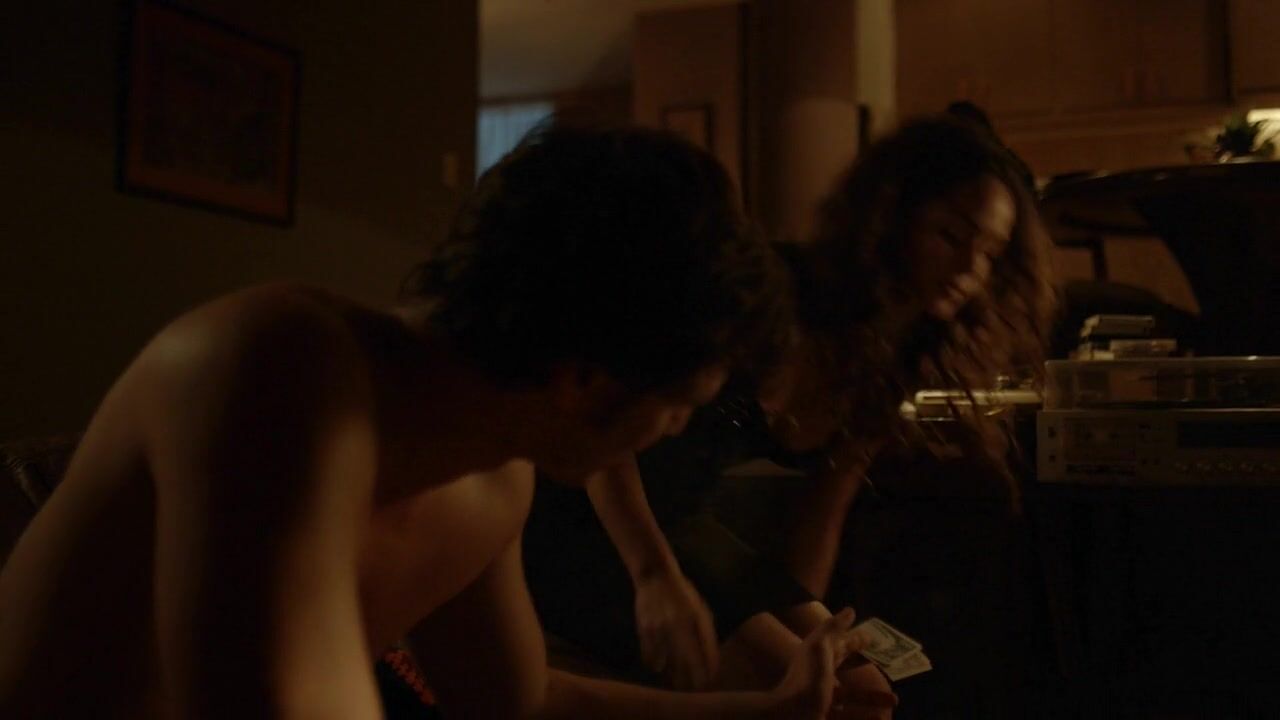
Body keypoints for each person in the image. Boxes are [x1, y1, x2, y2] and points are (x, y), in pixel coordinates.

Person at [0, 124, 867, 719]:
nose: (674, 432)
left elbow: (518, 702)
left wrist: (763, 711)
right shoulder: (278, 366)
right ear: (582, 379)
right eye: (678, 405)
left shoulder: (494, 480)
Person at [523, 116, 1057, 717]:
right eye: (951, 235)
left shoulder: (898, 356)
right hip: (603, 518)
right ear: (891, 216)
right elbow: (608, 430)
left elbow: (821, 515)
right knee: (784, 689)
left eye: (990, 253)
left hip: (690, 529)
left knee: (860, 691)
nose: (969, 269)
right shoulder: (768, 295)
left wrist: (817, 645)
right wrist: (655, 578)